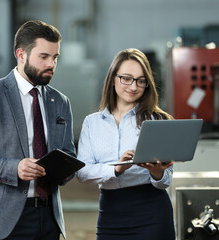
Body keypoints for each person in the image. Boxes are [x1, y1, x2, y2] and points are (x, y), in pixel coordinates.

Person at [0, 20, 76, 240]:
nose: (51, 64)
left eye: (55, 57)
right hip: (1, 222)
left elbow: (68, 154)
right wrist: (14, 168)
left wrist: (66, 170)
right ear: (21, 54)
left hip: (48, 219)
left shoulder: (60, 102)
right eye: (44, 57)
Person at [76, 48, 175, 240]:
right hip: (110, 214)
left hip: (152, 211)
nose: (133, 86)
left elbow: (167, 180)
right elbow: (82, 173)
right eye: (126, 78)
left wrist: (157, 173)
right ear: (113, 79)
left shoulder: (157, 120)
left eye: (140, 80)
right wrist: (116, 169)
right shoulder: (92, 122)